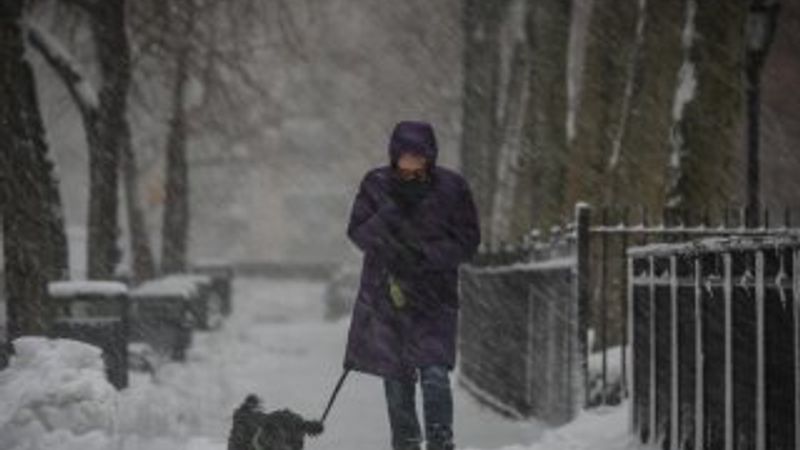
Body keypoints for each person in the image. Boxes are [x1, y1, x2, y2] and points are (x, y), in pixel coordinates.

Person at [343, 120, 481, 450]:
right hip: (387, 297)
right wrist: (391, 213)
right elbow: (358, 232)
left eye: (419, 155)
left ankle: (440, 441)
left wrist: (425, 255)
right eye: (405, 155)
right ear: (394, 154)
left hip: (435, 299)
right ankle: (405, 444)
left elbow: (468, 240)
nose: (411, 162)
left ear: (430, 156)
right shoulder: (376, 184)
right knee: (396, 381)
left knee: (435, 374)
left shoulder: (452, 187)